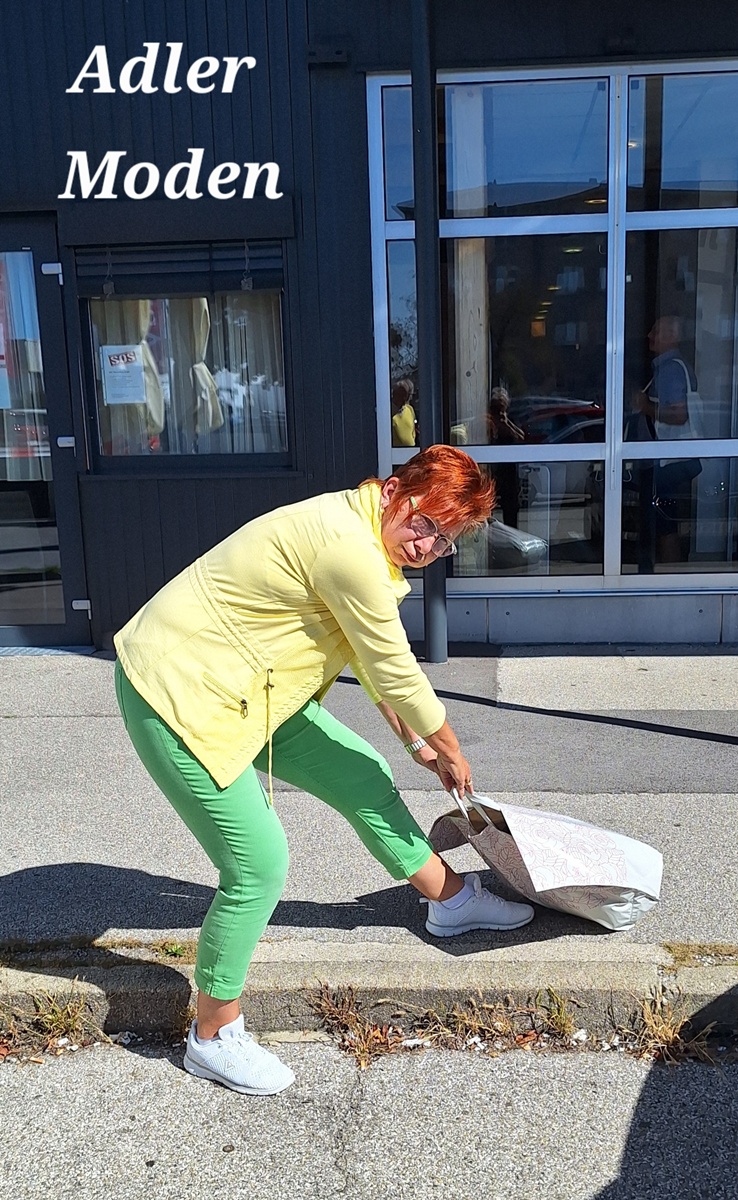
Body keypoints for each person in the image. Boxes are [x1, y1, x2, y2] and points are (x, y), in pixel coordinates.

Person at [113, 445, 535, 1097]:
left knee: (362, 774)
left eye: (446, 540)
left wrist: (414, 745)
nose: (429, 546)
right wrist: (449, 747)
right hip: (176, 691)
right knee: (257, 864)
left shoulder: (368, 535)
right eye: (427, 523)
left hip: (255, 689)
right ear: (394, 491)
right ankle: (212, 1034)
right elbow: (394, 669)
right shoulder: (348, 547)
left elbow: (366, 656)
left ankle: (451, 903)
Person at [633, 316, 703, 564]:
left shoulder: (670, 370)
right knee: (665, 521)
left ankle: (668, 574)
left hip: (667, 462)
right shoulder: (671, 368)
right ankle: (668, 572)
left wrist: (645, 407)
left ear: (672, 337)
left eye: (656, 331)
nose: (649, 336)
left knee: (663, 524)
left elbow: (679, 415)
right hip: (671, 460)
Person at [391, 377, 418, 447]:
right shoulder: (388, 413)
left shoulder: (409, 409)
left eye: (410, 394)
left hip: (412, 450)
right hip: (395, 452)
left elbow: (413, 430)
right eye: (407, 394)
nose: (410, 398)